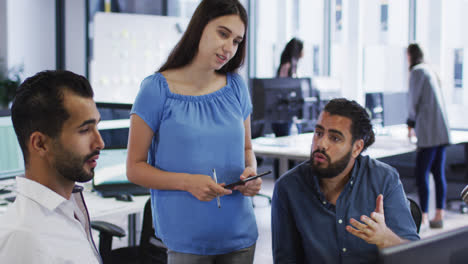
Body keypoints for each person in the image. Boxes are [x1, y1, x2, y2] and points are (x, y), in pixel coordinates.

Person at [126, 0, 261, 263]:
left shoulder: (236, 87)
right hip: (186, 240)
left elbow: (247, 149)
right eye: (223, 33)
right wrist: (188, 182)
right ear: (199, 27)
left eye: (236, 41)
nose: (229, 48)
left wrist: (251, 173)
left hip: (240, 235)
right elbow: (135, 168)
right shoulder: (156, 90)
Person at [271, 98, 419, 264]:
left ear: (356, 148)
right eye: (319, 133)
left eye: (334, 138)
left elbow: (414, 255)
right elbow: (285, 259)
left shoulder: (384, 179)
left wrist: (384, 238)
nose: (321, 144)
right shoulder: (288, 188)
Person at [0, 70, 104, 263]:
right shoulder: (24, 239)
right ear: (40, 144)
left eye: (97, 126)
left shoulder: (65, 210)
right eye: (84, 130)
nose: (99, 143)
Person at [406, 43, 451, 229]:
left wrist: (410, 123)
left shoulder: (417, 72)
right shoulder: (431, 70)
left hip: (429, 131)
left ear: (410, 56)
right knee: (438, 173)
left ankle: (423, 215)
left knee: (421, 173)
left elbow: (412, 99)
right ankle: (438, 214)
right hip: (441, 129)